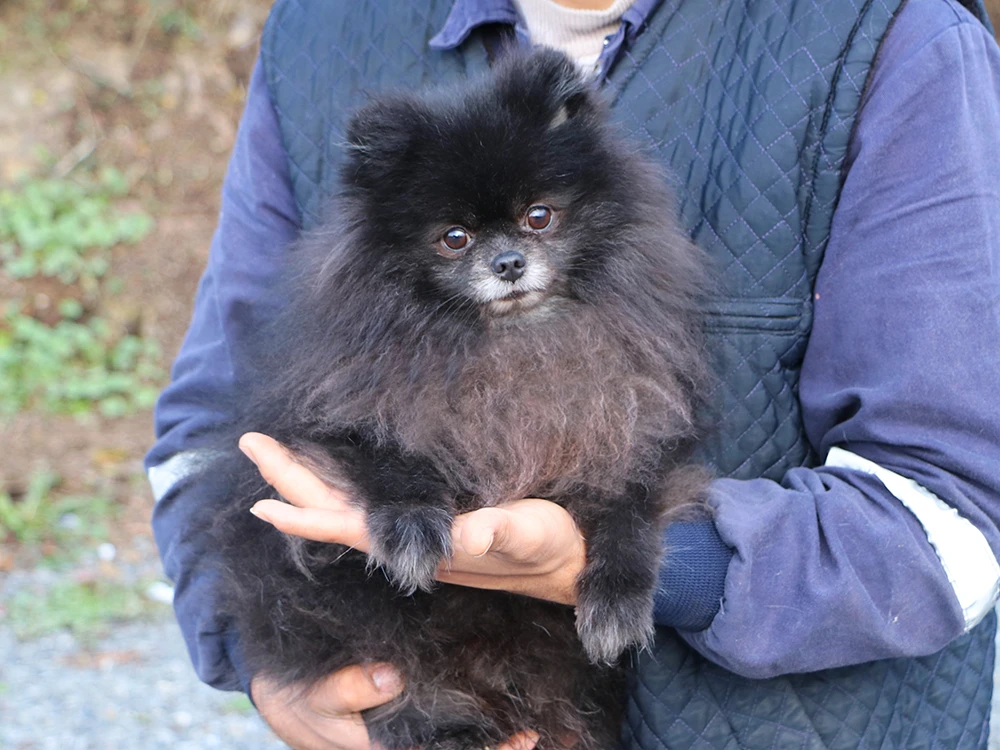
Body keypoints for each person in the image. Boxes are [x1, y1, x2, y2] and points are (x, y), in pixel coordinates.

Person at [146, 0, 1000, 747]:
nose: (510, 260)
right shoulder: (324, 27)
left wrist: (643, 560)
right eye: (457, 241)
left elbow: (953, 528)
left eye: (537, 221)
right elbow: (208, 425)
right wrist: (262, 660)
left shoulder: (890, 36)